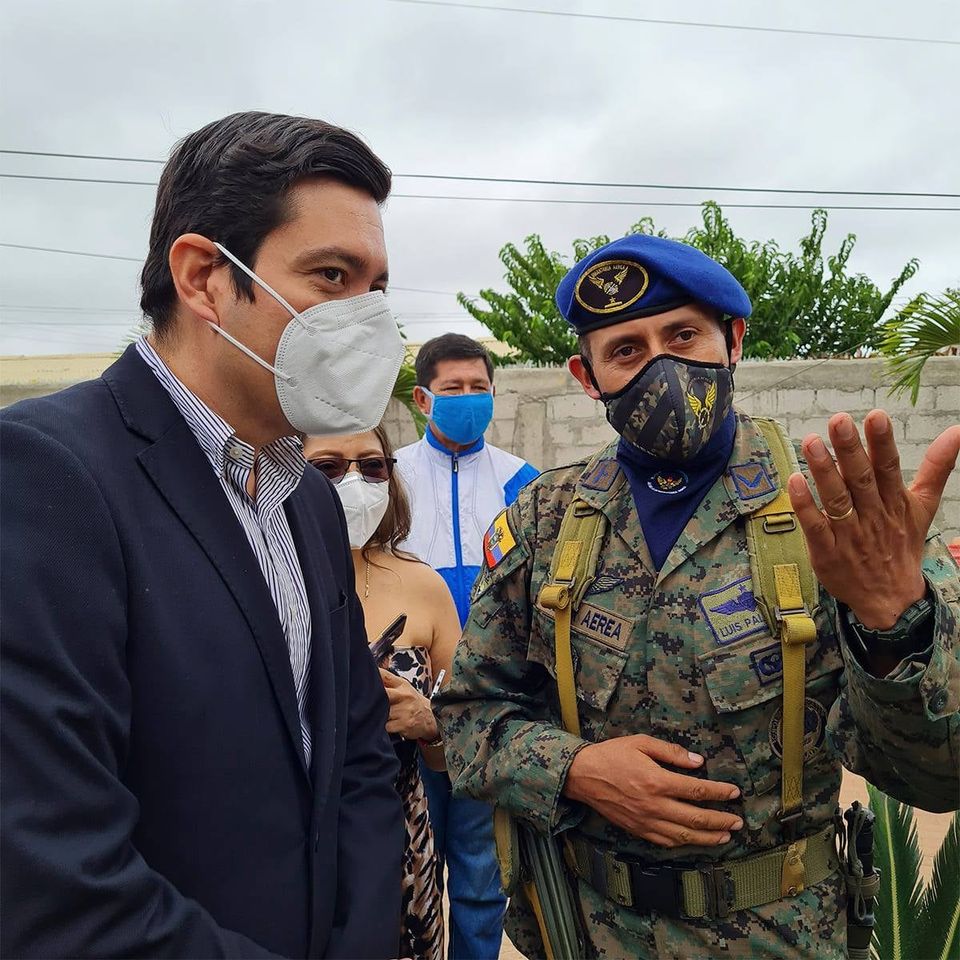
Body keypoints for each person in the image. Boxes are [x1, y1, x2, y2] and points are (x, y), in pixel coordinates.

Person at [435, 234, 960, 959]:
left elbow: (939, 775)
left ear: (733, 341)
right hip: (587, 931)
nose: (661, 368)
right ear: (587, 377)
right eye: (626, 350)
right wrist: (576, 770)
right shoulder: (545, 520)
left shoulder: (832, 514)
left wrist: (892, 627)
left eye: (682, 336)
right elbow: (468, 716)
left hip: (781, 936)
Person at [1, 112, 408, 959]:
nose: (367, 319)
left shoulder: (309, 499)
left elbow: (358, 756)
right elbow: (49, 869)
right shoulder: (46, 478)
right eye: (332, 276)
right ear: (203, 278)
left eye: (376, 286)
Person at [395, 333, 537, 960]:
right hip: (409, 706)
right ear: (423, 399)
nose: (468, 398)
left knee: (481, 876)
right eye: (453, 388)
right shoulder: (389, 477)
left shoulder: (523, 482)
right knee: (411, 869)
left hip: (488, 706)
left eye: (480, 387)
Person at [303, 424, 460, 960]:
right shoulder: (265, 578)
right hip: (293, 842)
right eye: (328, 467)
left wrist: (429, 723)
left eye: (371, 466)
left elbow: (460, 751)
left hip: (399, 844)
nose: (353, 482)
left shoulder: (424, 586)